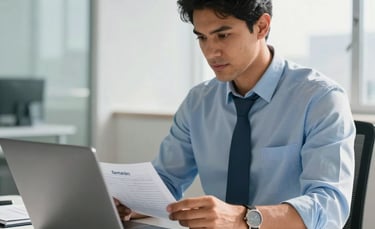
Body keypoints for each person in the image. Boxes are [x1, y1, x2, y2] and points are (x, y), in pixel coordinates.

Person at [116, 0, 355, 228]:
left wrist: (243, 219)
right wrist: (127, 204)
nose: (210, 52)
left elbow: (330, 205)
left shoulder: (320, 99)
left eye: (223, 35)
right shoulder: (198, 102)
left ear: (261, 26)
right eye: (202, 37)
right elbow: (165, 182)